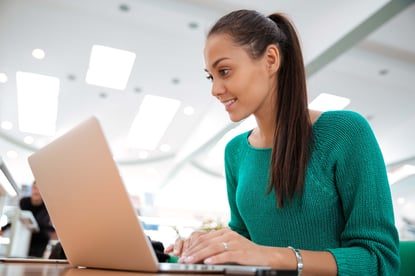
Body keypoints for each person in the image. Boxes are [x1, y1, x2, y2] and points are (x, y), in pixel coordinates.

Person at [164, 9, 400, 275]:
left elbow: (380, 260)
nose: (215, 89)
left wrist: (273, 256)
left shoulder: (345, 132)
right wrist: (207, 250)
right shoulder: (235, 152)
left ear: (271, 59)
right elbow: (245, 239)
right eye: (211, 76)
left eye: (225, 71)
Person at [19, 180, 56, 257]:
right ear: (31, 189)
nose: (37, 191)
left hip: (41, 238)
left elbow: (40, 222)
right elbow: (20, 217)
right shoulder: (24, 202)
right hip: (25, 235)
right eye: (35, 188)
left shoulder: (47, 204)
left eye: (40, 189)